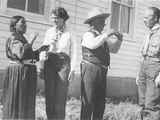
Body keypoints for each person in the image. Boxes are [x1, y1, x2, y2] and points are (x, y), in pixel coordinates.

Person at [2, 15, 49, 119]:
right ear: (14, 25)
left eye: (25, 22)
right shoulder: (14, 38)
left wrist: (40, 50)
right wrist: (31, 40)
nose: (25, 25)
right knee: (18, 100)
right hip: (19, 73)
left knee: (25, 101)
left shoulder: (22, 38)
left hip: (26, 73)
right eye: (22, 23)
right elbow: (21, 54)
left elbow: (28, 55)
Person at [80, 8, 122, 120]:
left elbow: (114, 49)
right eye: (101, 20)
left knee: (100, 103)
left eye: (104, 20)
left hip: (102, 71)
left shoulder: (102, 37)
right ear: (93, 22)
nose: (104, 23)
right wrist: (106, 35)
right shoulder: (88, 35)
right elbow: (93, 45)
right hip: (90, 69)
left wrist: (119, 40)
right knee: (88, 101)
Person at [39, 7, 74, 119]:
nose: (54, 21)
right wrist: (41, 66)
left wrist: (72, 69)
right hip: (50, 62)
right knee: (49, 93)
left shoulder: (70, 32)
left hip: (63, 63)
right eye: (52, 18)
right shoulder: (49, 31)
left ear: (63, 18)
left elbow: (74, 52)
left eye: (56, 18)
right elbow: (43, 49)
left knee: (60, 94)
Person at [137, 7, 160, 120]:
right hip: (143, 68)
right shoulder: (147, 34)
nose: (144, 20)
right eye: (144, 17)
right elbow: (143, 54)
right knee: (142, 103)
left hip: (154, 69)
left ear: (155, 18)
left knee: (151, 105)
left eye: (147, 17)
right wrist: (138, 74)